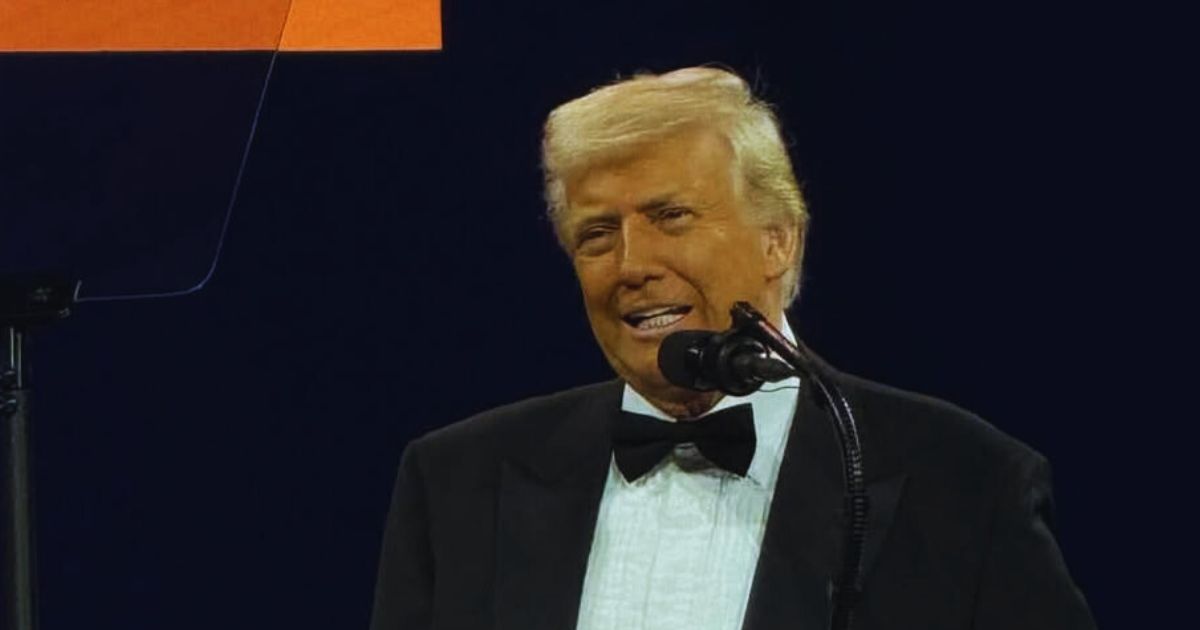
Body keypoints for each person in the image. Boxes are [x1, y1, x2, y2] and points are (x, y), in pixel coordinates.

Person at [369, 67, 1095, 630]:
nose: (631, 264)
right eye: (597, 235)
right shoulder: (458, 486)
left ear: (778, 239)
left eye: (671, 216)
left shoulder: (965, 486)